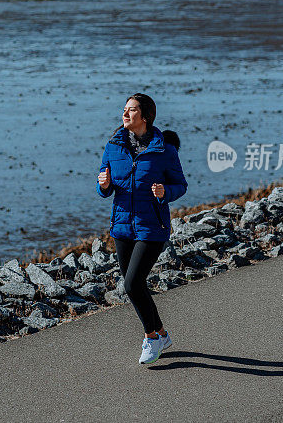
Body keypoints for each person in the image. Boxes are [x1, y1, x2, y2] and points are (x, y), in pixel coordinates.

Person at [97, 93, 188, 365]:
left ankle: (151, 338)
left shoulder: (164, 150)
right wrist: (104, 185)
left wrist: (164, 192)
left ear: (145, 116)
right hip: (122, 226)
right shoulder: (114, 146)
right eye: (124, 109)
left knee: (132, 283)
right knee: (134, 286)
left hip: (152, 226)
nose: (125, 114)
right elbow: (104, 186)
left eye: (131, 110)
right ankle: (161, 332)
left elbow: (180, 185)